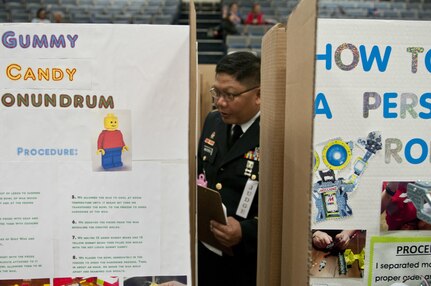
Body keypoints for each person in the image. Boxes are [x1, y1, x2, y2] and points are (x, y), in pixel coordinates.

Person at [197, 51, 261, 286]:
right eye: (217, 93)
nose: (220, 102)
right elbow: (201, 175)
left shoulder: (275, 133)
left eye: (230, 94)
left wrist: (246, 231)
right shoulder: (213, 121)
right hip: (206, 252)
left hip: (247, 262)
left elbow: (285, 208)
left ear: (259, 95)